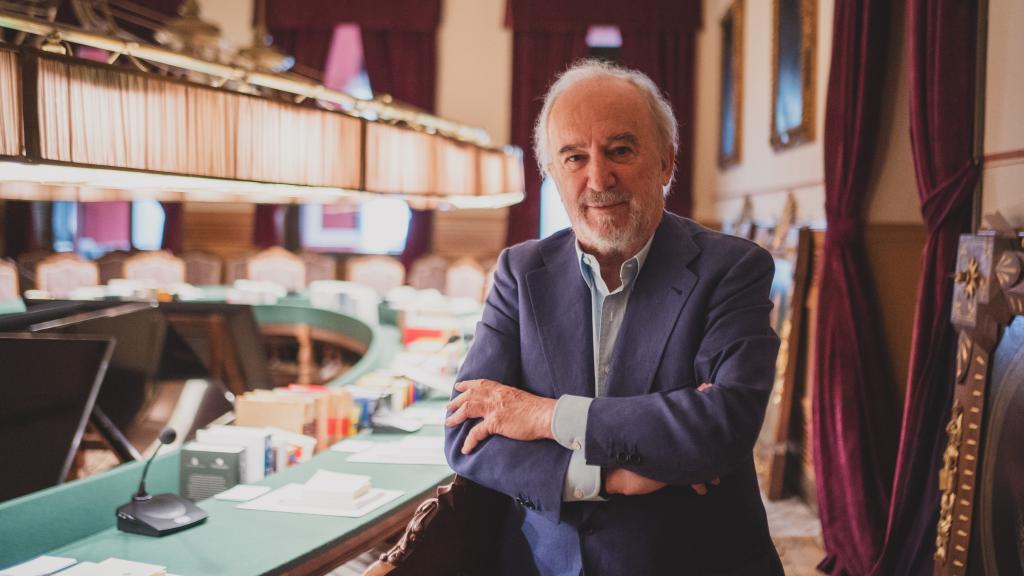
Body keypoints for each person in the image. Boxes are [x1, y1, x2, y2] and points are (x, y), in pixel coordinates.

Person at [444, 60, 784, 576]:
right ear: (551, 174)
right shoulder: (519, 271)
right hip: (543, 563)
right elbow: (466, 435)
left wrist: (542, 416)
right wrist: (608, 477)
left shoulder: (733, 268)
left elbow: (721, 429)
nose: (598, 177)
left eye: (620, 150)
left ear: (667, 163)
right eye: (574, 156)